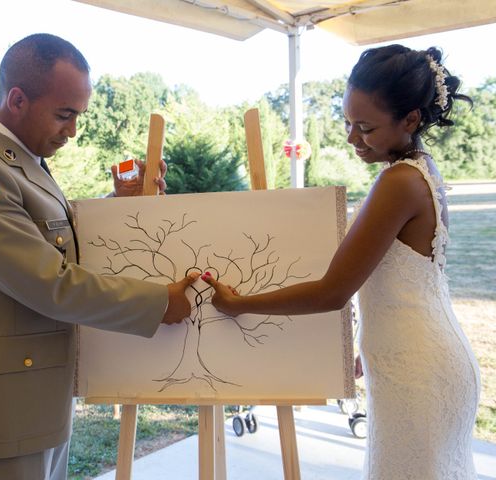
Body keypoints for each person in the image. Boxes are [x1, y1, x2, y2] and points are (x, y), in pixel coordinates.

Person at [203, 44, 480, 479]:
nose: (352, 138)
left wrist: (239, 304)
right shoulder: (422, 169)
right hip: (420, 356)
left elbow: (333, 292)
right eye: (348, 122)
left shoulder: (399, 182)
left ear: (410, 119)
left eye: (365, 127)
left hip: (418, 370)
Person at [0, 33, 198, 480]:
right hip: (1, 410)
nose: (72, 131)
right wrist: (157, 303)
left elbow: (54, 237)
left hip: (32, 397)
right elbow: (47, 280)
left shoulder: (18, 161)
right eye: (64, 114)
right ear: (17, 99)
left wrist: (117, 202)